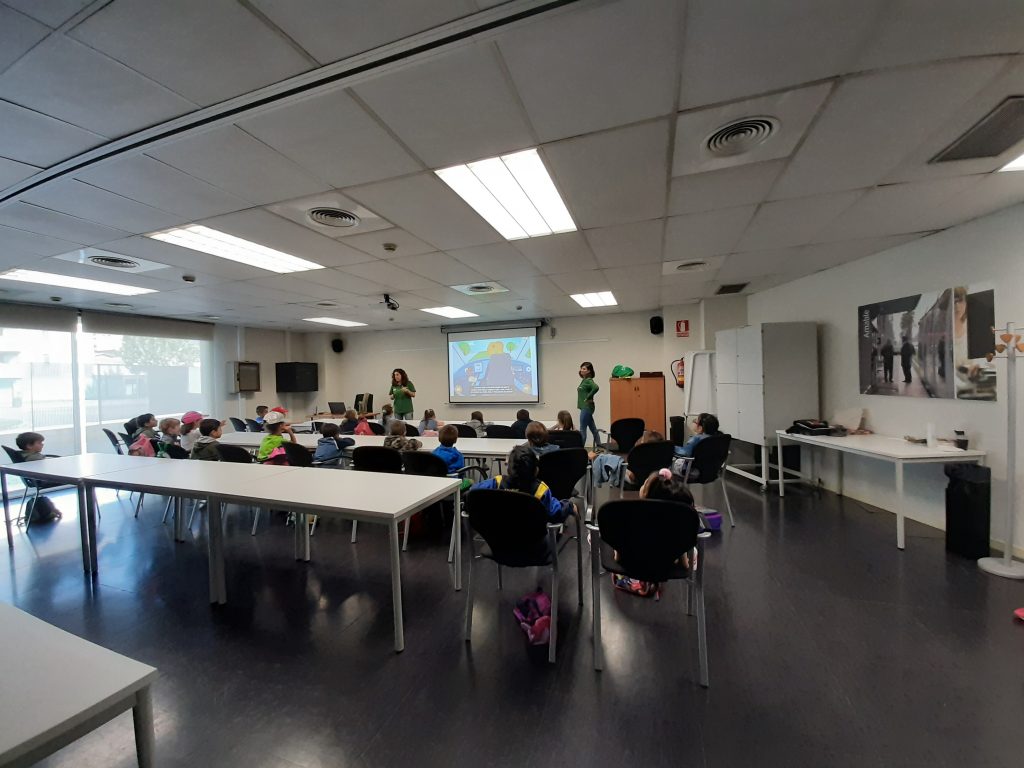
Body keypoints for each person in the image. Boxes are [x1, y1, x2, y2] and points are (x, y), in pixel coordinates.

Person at [614, 469, 698, 597]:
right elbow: (685, 564)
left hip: (633, 562)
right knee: (693, 550)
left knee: (595, 536)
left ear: (646, 494)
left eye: (645, 484)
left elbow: (618, 556)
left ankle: (634, 581)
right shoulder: (677, 524)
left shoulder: (630, 518)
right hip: (666, 564)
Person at [469, 445, 574, 522]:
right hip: (532, 541)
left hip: (497, 539)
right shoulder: (540, 490)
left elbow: (472, 494)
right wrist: (569, 505)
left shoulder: (496, 483)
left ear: (508, 468)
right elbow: (555, 513)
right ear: (536, 470)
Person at [433, 425, 472, 490]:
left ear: (439, 438)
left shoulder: (434, 452)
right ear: (455, 440)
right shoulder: (458, 455)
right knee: (471, 481)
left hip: (437, 483)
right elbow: (461, 474)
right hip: (453, 484)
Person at [577, 361, 600, 448]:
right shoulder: (584, 380)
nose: (581, 370)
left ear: (589, 371)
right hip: (585, 407)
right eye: (581, 368)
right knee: (593, 428)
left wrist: (588, 397)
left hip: (586, 407)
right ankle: (600, 446)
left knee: (582, 429)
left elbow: (596, 387)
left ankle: (580, 449)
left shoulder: (589, 380)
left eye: (584, 369)